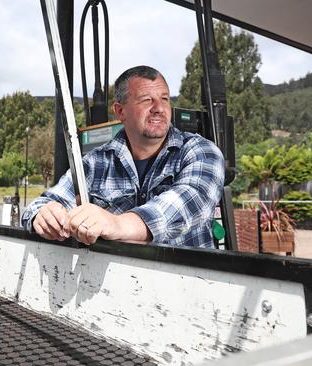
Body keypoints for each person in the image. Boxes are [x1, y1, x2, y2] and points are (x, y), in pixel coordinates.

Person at [21, 65, 224, 248]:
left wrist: (116, 224)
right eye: (147, 100)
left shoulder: (201, 152)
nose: (159, 108)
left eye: (164, 99)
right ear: (120, 111)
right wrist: (45, 215)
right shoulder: (94, 163)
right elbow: (41, 205)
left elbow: (189, 202)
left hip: (188, 284)